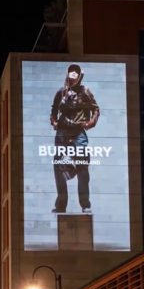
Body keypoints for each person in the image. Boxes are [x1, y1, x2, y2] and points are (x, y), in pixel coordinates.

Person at [49, 63, 100, 215]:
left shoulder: (85, 91)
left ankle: (85, 204)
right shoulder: (61, 92)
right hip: (62, 133)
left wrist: (91, 123)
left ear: (79, 76)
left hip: (78, 133)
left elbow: (95, 109)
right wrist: (54, 122)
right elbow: (53, 110)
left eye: (75, 76)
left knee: (83, 168)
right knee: (58, 166)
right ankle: (61, 204)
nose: (72, 79)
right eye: (70, 76)